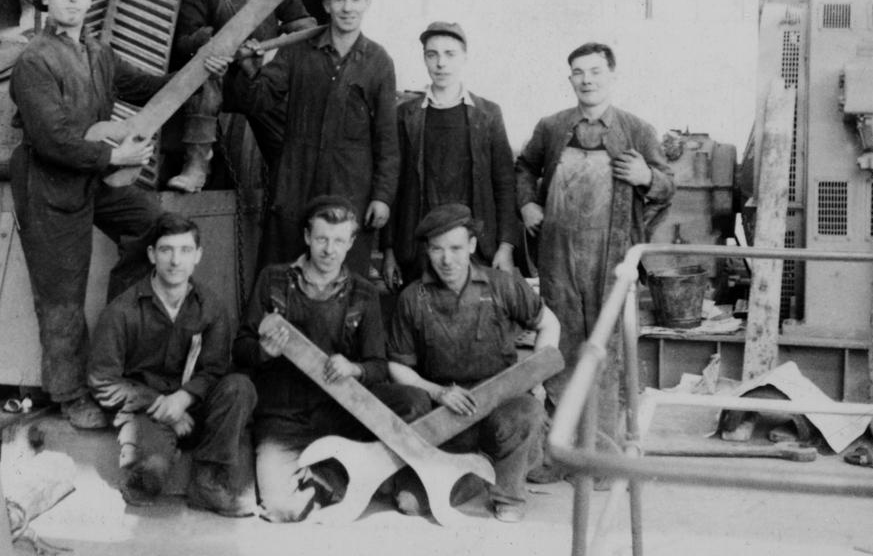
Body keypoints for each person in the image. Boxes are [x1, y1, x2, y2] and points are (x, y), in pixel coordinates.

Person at [9, 0, 171, 429]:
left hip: (93, 177)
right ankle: (70, 394)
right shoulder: (35, 60)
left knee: (150, 224)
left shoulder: (100, 54)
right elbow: (53, 139)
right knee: (61, 293)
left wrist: (206, 70)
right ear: (47, 0)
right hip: (49, 184)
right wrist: (115, 157)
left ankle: (114, 327)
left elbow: (151, 87)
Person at [515, 42, 674, 443]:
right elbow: (524, 167)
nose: (587, 80)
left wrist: (647, 178)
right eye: (578, 72)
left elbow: (668, 187)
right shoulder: (552, 127)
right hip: (559, 259)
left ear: (612, 76)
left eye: (596, 71)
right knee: (561, 344)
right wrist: (527, 204)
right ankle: (560, 445)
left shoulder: (636, 130)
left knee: (607, 349)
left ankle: (602, 449)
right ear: (570, 79)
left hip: (612, 261)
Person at [232, 196, 405, 522]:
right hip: (282, 417)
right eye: (322, 239)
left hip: (339, 413)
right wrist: (263, 352)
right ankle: (332, 478)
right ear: (307, 237)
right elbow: (240, 347)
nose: (329, 250)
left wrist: (354, 368)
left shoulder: (364, 292)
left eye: (339, 241)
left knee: (410, 402)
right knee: (281, 509)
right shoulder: (273, 279)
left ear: (351, 242)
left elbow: (378, 366)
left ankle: (333, 473)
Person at [386, 204, 560, 522]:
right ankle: (477, 471)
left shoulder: (502, 285)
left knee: (527, 412)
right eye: (437, 249)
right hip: (447, 414)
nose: (446, 259)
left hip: (500, 407)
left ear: (472, 245)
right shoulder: (412, 298)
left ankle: (508, 494)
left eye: (455, 248)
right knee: (409, 503)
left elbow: (549, 323)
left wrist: (533, 376)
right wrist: (438, 392)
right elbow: (397, 366)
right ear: (427, 250)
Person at [222, 0, 399, 276]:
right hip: (296, 184)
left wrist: (381, 197)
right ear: (327, 5)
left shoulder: (378, 61)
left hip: (348, 189)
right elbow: (258, 100)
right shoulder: (297, 53)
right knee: (281, 272)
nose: (347, 7)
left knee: (344, 278)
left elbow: (387, 140)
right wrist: (248, 68)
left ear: (367, 3)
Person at [87, 213, 257, 514]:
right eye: (166, 250)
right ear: (152, 255)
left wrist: (183, 398)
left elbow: (216, 370)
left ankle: (206, 481)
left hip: (196, 409)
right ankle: (150, 464)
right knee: (146, 482)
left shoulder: (211, 307)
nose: (176, 261)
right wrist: (162, 405)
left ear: (198, 256)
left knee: (239, 387)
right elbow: (102, 380)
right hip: (147, 412)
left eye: (185, 250)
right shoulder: (122, 310)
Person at [168, 0, 316, 192]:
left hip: (261, 74)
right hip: (218, 74)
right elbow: (186, 38)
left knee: (288, 158)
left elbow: (301, 24)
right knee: (201, 85)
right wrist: (219, 44)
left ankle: (292, 182)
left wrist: (274, 57)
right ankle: (197, 165)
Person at [382, 21, 519, 291]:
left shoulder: (488, 114)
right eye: (432, 54)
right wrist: (388, 250)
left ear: (464, 57)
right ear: (424, 58)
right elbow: (393, 186)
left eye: (450, 54)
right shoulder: (406, 115)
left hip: (476, 249)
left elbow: (504, 184)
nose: (441, 63)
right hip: (419, 251)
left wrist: (505, 246)